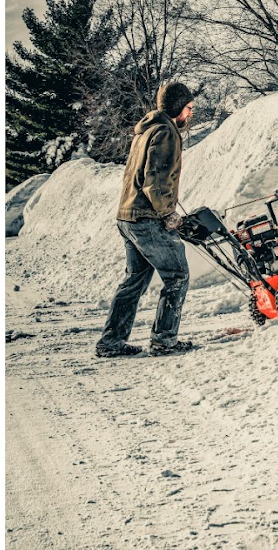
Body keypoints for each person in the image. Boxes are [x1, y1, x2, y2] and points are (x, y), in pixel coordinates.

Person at [96, 81, 198, 357]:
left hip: (128, 216)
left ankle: (111, 343)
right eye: (188, 108)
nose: (190, 114)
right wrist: (168, 214)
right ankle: (164, 341)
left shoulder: (146, 130)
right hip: (146, 218)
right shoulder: (165, 132)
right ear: (177, 106)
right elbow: (155, 179)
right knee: (177, 275)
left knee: (134, 280)